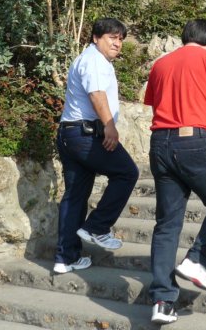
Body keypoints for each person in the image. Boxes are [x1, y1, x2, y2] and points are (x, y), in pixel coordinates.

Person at [144, 18, 206, 325]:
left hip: (160, 143)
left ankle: (162, 300)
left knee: (167, 223)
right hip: (194, 141)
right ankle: (197, 261)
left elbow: (154, 104)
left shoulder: (160, 65)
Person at [54, 17, 139, 274]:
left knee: (75, 195)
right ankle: (97, 227)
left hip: (70, 134)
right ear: (95, 38)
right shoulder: (94, 61)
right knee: (127, 172)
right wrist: (110, 126)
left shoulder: (87, 59)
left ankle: (65, 258)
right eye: (111, 37)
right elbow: (96, 95)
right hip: (86, 134)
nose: (117, 43)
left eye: (120, 39)